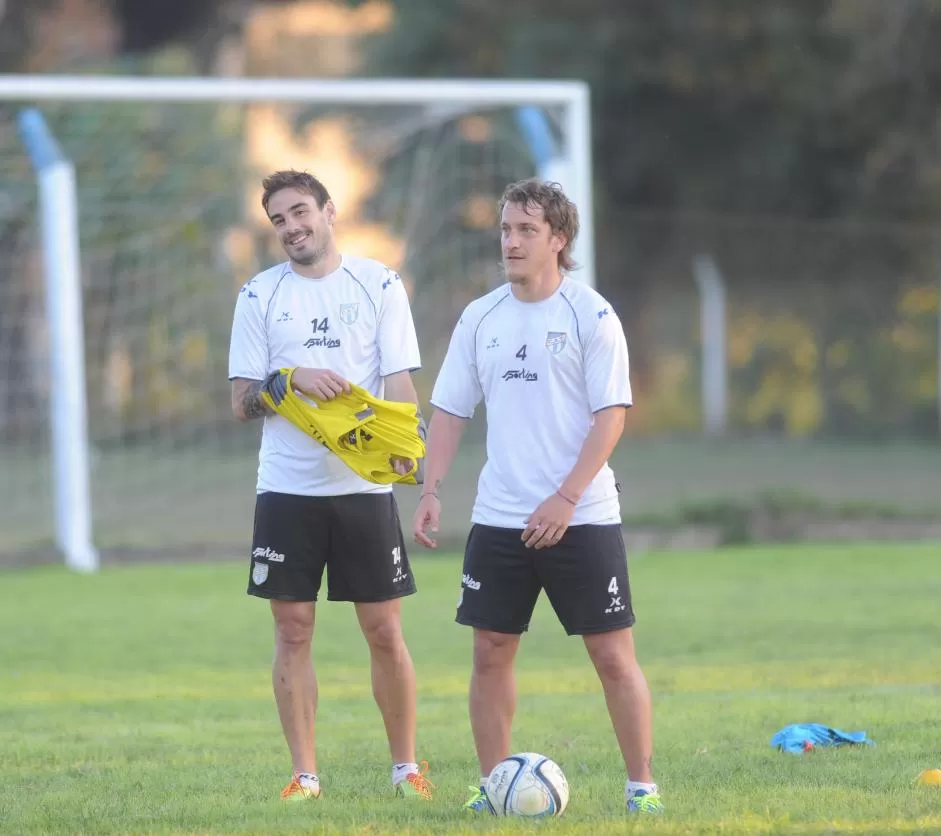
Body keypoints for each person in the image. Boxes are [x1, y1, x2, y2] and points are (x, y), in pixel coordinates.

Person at [412, 178, 662, 815]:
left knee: (612, 655)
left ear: (559, 239)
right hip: (499, 519)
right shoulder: (481, 317)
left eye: (526, 230)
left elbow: (612, 416)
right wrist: (431, 489)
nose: (512, 241)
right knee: (490, 653)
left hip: (583, 516)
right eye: (505, 229)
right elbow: (448, 412)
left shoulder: (592, 315)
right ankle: (494, 787)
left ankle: (643, 790)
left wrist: (567, 498)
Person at [228, 169, 433, 802]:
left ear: (328, 210)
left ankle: (406, 769)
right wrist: (290, 379)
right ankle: (305, 775)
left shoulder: (379, 284)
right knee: (292, 629)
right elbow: (241, 401)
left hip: (363, 492)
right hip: (287, 490)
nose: (291, 227)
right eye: (279, 220)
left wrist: (407, 451)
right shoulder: (259, 296)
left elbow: (399, 382)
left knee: (383, 631)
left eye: (299, 212)